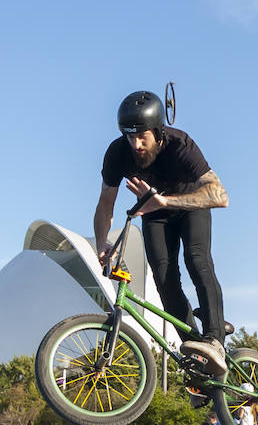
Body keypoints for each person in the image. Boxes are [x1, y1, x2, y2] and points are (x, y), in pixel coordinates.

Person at [94, 90, 229, 375]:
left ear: (158, 131)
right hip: (154, 214)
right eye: (130, 137)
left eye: (143, 136)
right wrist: (101, 243)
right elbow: (106, 204)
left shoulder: (181, 145)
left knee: (197, 260)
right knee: (164, 280)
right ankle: (199, 361)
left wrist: (165, 201)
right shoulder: (117, 153)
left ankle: (215, 340)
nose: (136, 144)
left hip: (190, 205)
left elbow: (219, 195)